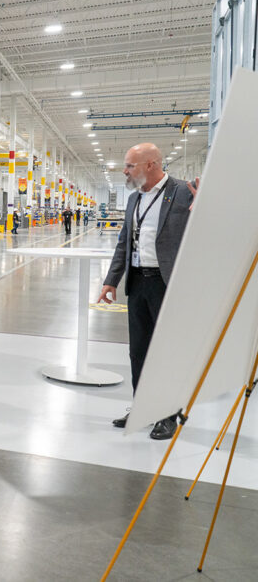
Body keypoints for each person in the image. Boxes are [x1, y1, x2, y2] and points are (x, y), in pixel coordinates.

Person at [98, 143, 197, 441]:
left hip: (167, 283)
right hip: (139, 282)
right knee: (138, 350)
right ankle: (142, 407)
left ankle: (167, 413)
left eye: (130, 166)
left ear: (151, 165)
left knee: (165, 351)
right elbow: (123, 242)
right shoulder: (133, 199)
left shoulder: (184, 192)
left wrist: (207, 205)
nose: (125, 171)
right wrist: (111, 280)